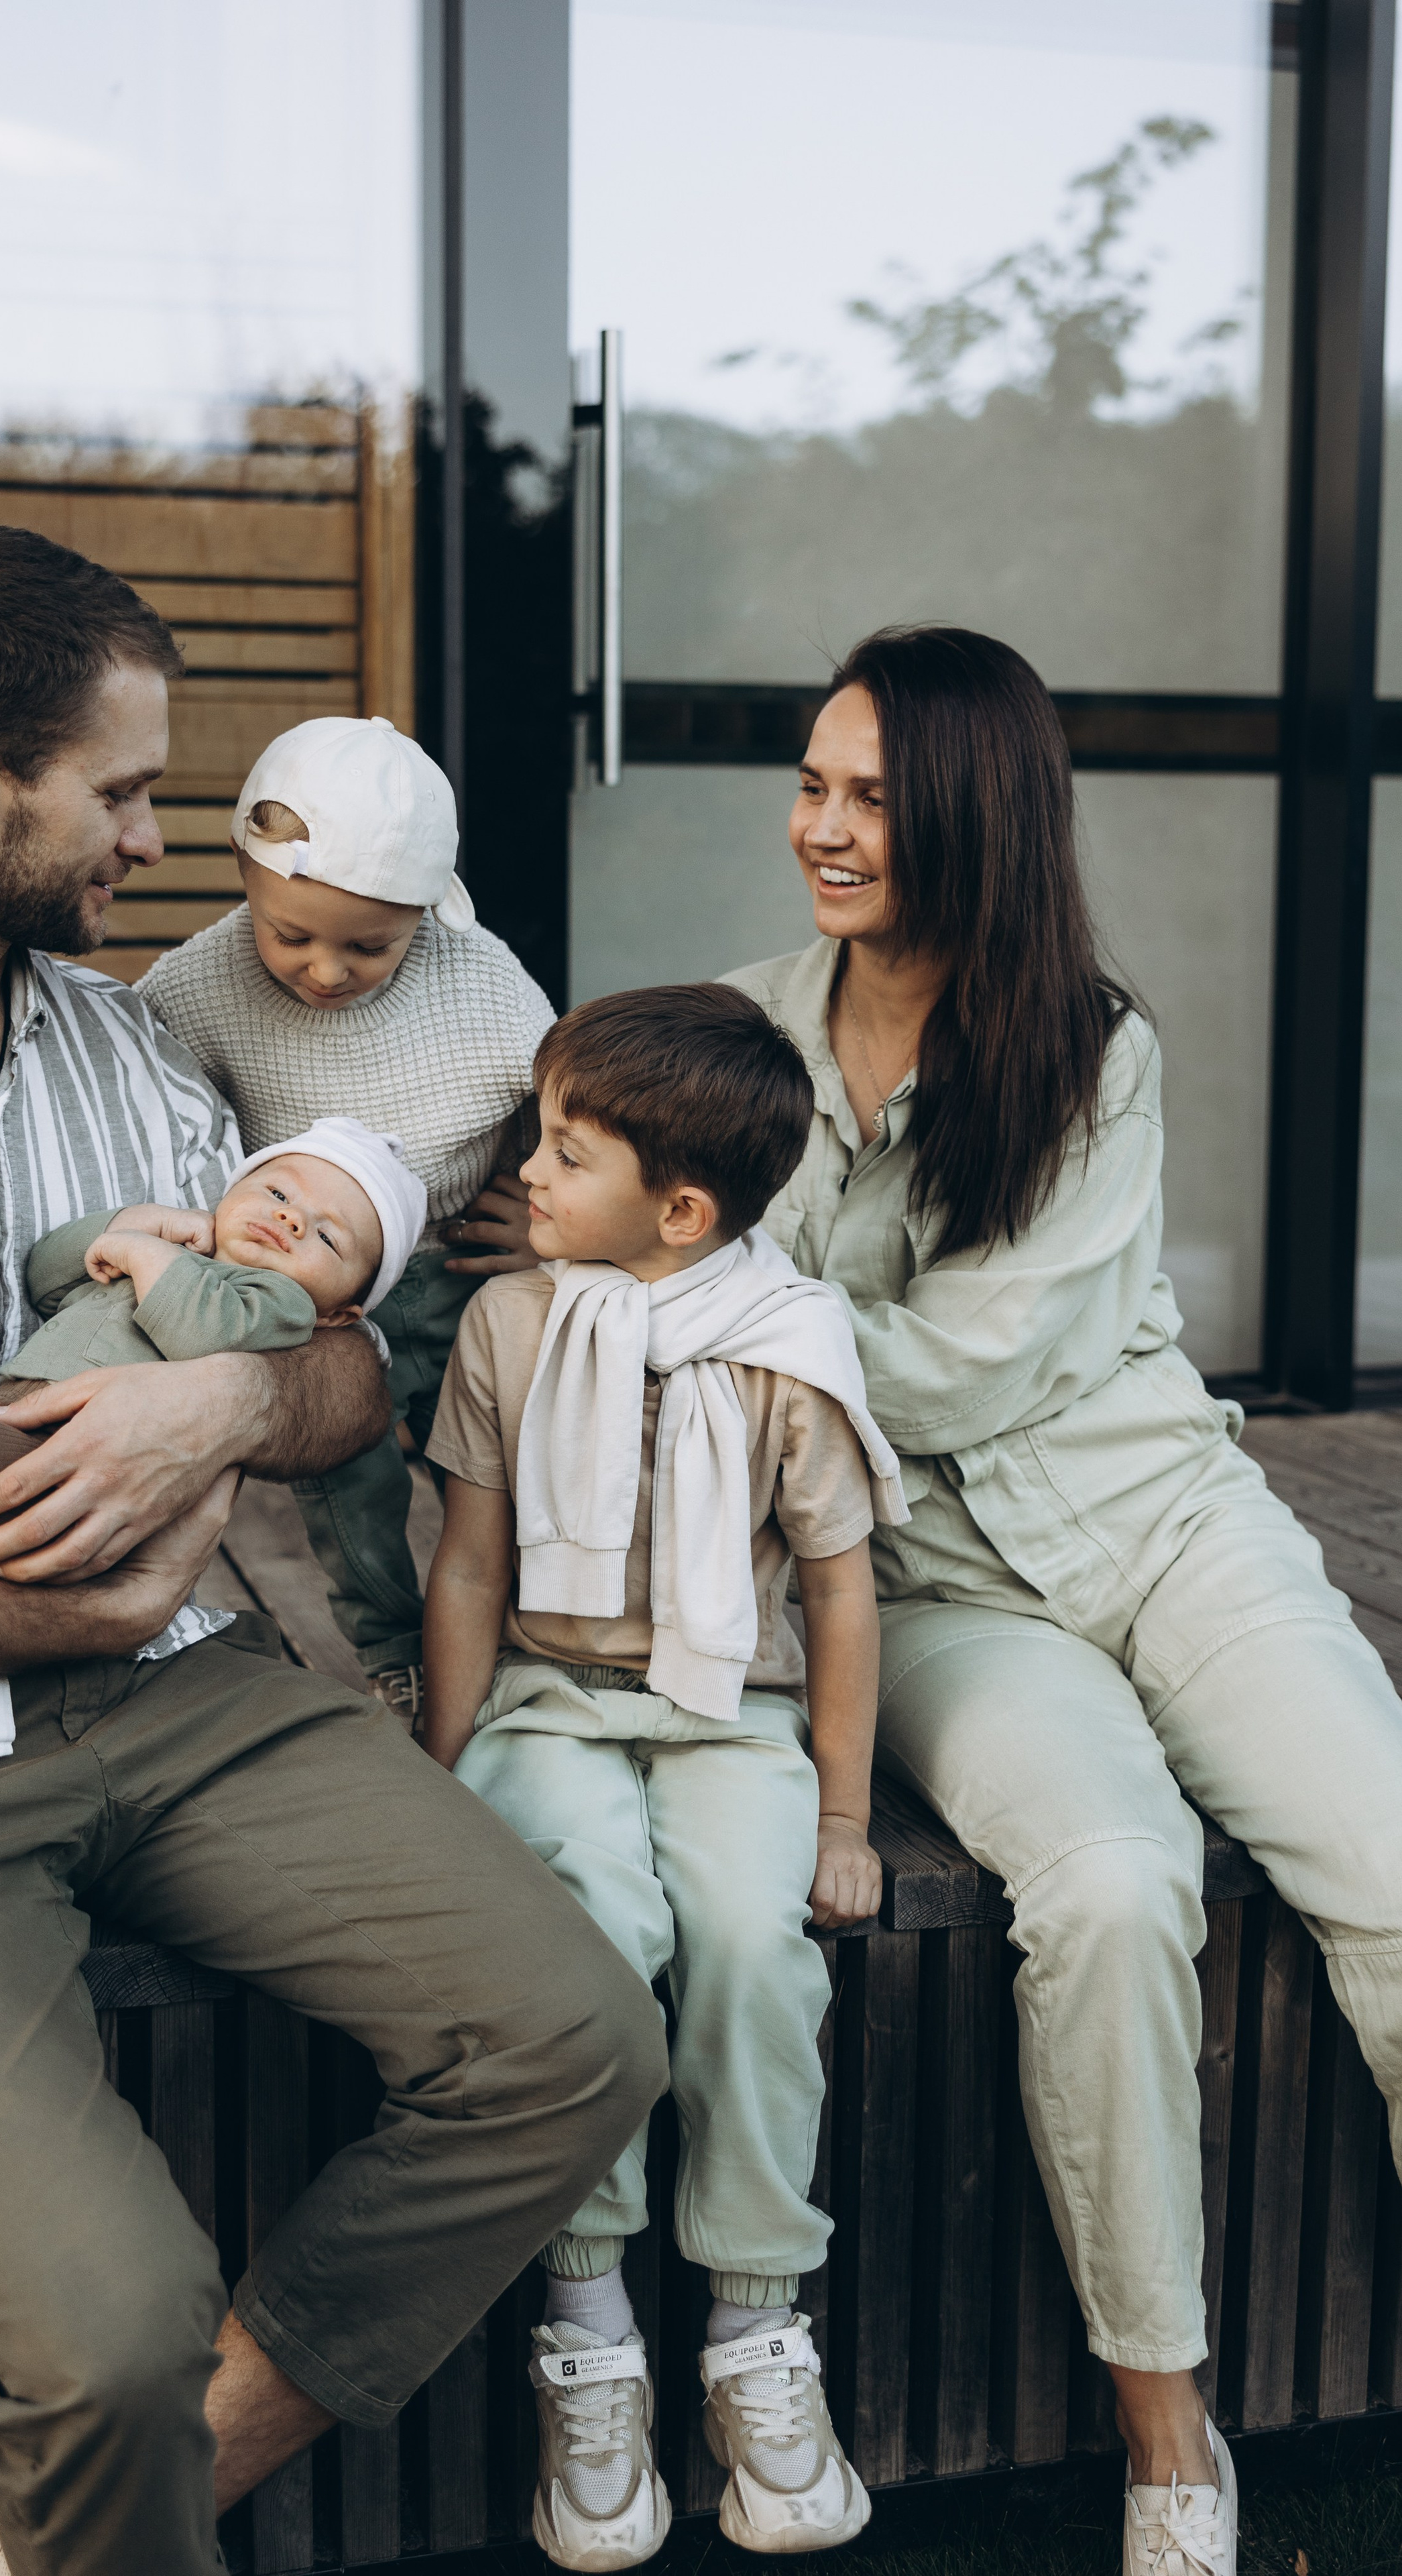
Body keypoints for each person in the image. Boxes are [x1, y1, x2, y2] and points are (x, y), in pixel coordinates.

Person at [0, 522, 668, 2576]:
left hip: (184, 1705)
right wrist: (101, 1584)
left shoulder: (140, 1050)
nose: (160, 838)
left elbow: (342, 1394)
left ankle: (32, 2541)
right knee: (110, 2332)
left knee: (572, 2039)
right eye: (124, 791)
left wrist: (225, 1400)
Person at [725, 624, 1402, 2576]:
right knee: (1106, 1884)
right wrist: (777, 1334)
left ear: (971, 814)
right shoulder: (742, 1034)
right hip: (935, 1588)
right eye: (812, 784)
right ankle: (1164, 2418)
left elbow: (968, 1362)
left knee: (1389, 1857)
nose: (821, 830)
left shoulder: (1094, 1046)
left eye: (868, 795)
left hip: (1167, 1520)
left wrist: (781, 1322)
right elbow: (752, 1351)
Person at [420, 985, 907, 2569]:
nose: (528, 1178)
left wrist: (838, 1816)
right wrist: (440, 1763)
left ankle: (757, 2329)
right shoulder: (510, 1319)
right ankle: (588, 2323)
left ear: (680, 1208)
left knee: (755, 1947)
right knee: (591, 1933)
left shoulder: (785, 1348)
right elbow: (469, 1564)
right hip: (550, 1706)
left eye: (563, 1153)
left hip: (727, 1711)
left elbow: (836, 1586)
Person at [139, 715, 555, 1719]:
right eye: (292, 935)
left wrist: (537, 1206)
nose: (326, 970)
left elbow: (567, 1090)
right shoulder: (202, 983)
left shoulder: (479, 981)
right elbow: (144, 1090)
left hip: (454, 1269)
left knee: (496, 1459)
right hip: (313, 1283)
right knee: (347, 1484)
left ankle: (530, 1639)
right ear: (245, 872)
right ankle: (395, 1649)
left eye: (370, 946)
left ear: (428, 912)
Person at [0, 1116, 427, 1550]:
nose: (291, 1217)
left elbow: (203, 1332)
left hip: (70, 1447)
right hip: (0, 1406)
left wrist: (143, 1254)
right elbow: (46, 1279)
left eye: (326, 1236)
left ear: (341, 1314)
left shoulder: (283, 1306)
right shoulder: (165, 1249)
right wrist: (125, 1227)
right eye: (275, 1191)